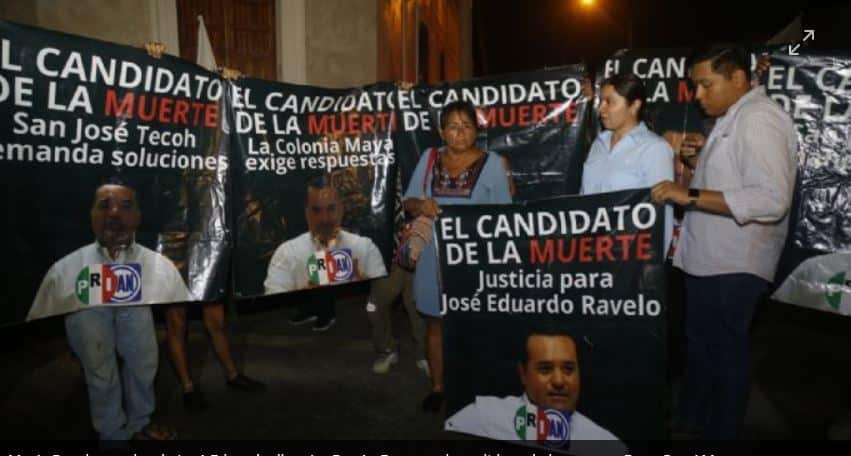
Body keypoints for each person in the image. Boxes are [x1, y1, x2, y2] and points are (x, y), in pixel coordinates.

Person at [651, 44, 796, 439]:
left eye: (705, 85)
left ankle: (720, 431)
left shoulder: (760, 118)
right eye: (695, 86)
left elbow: (771, 199)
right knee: (702, 349)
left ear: (737, 78)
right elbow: (731, 181)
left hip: (734, 263)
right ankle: (692, 424)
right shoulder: (734, 116)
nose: (697, 95)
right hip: (709, 259)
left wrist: (688, 194)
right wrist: (698, 164)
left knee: (724, 355)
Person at [143, 41, 266, 412]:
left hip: (206, 236)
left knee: (215, 316)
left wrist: (232, 86)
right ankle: (187, 387)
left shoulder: (209, 140)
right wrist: (148, 61)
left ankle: (232, 373)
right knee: (176, 320)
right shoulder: (159, 135)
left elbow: (236, 126)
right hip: (170, 239)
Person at [28, 178, 182, 441]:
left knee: (143, 362)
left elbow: (180, 297)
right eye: (104, 206)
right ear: (91, 215)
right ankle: (112, 433)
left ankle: (141, 423)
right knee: (100, 370)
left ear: (138, 216)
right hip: (88, 309)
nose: (114, 213)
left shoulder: (158, 264)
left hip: (135, 305)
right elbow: (38, 313)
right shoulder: (66, 269)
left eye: (125, 206)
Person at [403, 100, 513, 412]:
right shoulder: (429, 159)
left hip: (475, 260)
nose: (460, 132)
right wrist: (421, 205)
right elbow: (408, 202)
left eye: (466, 126)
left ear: (477, 131)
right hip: (433, 259)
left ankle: (475, 386)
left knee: (475, 325)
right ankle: (438, 387)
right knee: (435, 323)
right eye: (452, 126)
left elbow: (505, 218)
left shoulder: (494, 164)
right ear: (441, 132)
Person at [445, 330, 624, 454]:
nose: (559, 381)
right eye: (545, 369)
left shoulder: (606, 445)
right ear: (523, 374)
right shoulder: (483, 417)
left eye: (568, 369)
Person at [265, 175, 387, 331]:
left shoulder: (364, 246)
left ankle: (326, 313)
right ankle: (308, 309)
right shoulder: (288, 246)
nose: (325, 217)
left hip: (324, 234)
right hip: (300, 225)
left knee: (324, 270)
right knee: (305, 268)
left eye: (332, 208)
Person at [581, 72, 674, 254]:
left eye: (610, 102)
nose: (601, 109)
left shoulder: (655, 148)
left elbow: (662, 215)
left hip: (629, 257)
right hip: (591, 253)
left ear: (634, 105)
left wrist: (653, 263)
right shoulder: (597, 145)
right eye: (601, 102)